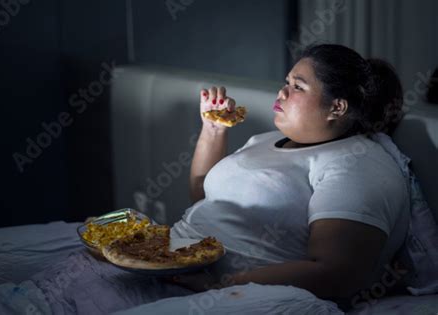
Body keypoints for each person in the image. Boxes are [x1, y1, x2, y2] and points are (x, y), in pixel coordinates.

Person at [170, 44, 410, 307]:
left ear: (337, 107)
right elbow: (203, 198)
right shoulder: (264, 140)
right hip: (176, 265)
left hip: (241, 297)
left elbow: (337, 273)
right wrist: (214, 129)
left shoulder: (357, 162)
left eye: (298, 86)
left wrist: (221, 286)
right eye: (287, 82)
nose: (282, 91)